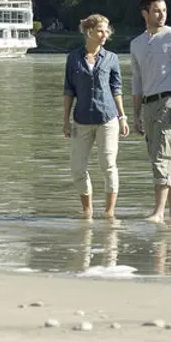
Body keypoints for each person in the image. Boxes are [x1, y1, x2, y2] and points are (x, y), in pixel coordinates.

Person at [130, 0, 171, 226]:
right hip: (148, 104)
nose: (162, 15)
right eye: (156, 11)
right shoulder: (136, 43)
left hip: (170, 102)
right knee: (167, 160)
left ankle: (158, 212)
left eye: (164, 10)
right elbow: (136, 81)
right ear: (145, 13)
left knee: (162, 157)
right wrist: (136, 114)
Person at [62, 14, 128, 220]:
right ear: (89, 31)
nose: (104, 35)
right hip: (81, 119)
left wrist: (122, 116)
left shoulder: (111, 58)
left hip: (107, 119)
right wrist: (65, 121)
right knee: (77, 168)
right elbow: (68, 90)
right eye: (100, 30)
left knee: (108, 165)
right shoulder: (73, 58)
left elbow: (116, 89)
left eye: (106, 31)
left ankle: (109, 213)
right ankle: (87, 210)